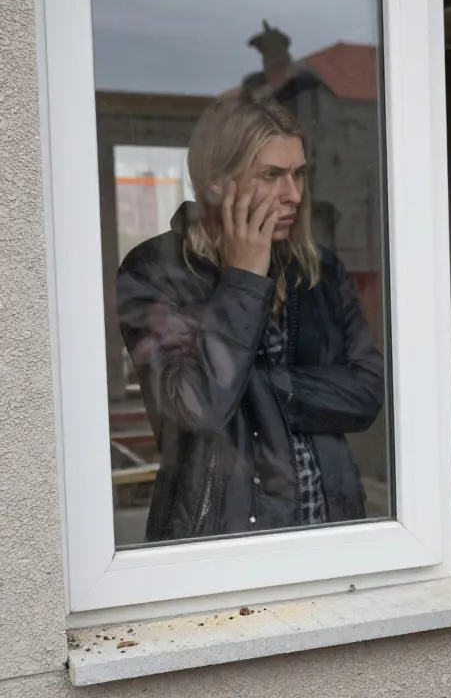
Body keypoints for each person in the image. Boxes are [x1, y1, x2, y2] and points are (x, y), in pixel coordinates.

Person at [117, 95, 385, 542]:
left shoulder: (318, 267)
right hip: (220, 539)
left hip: (331, 526)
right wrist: (243, 279)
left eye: (299, 173)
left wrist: (254, 388)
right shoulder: (155, 270)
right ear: (218, 182)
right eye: (271, 175)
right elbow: (198, 409)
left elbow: (367, 393)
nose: (294, 194)